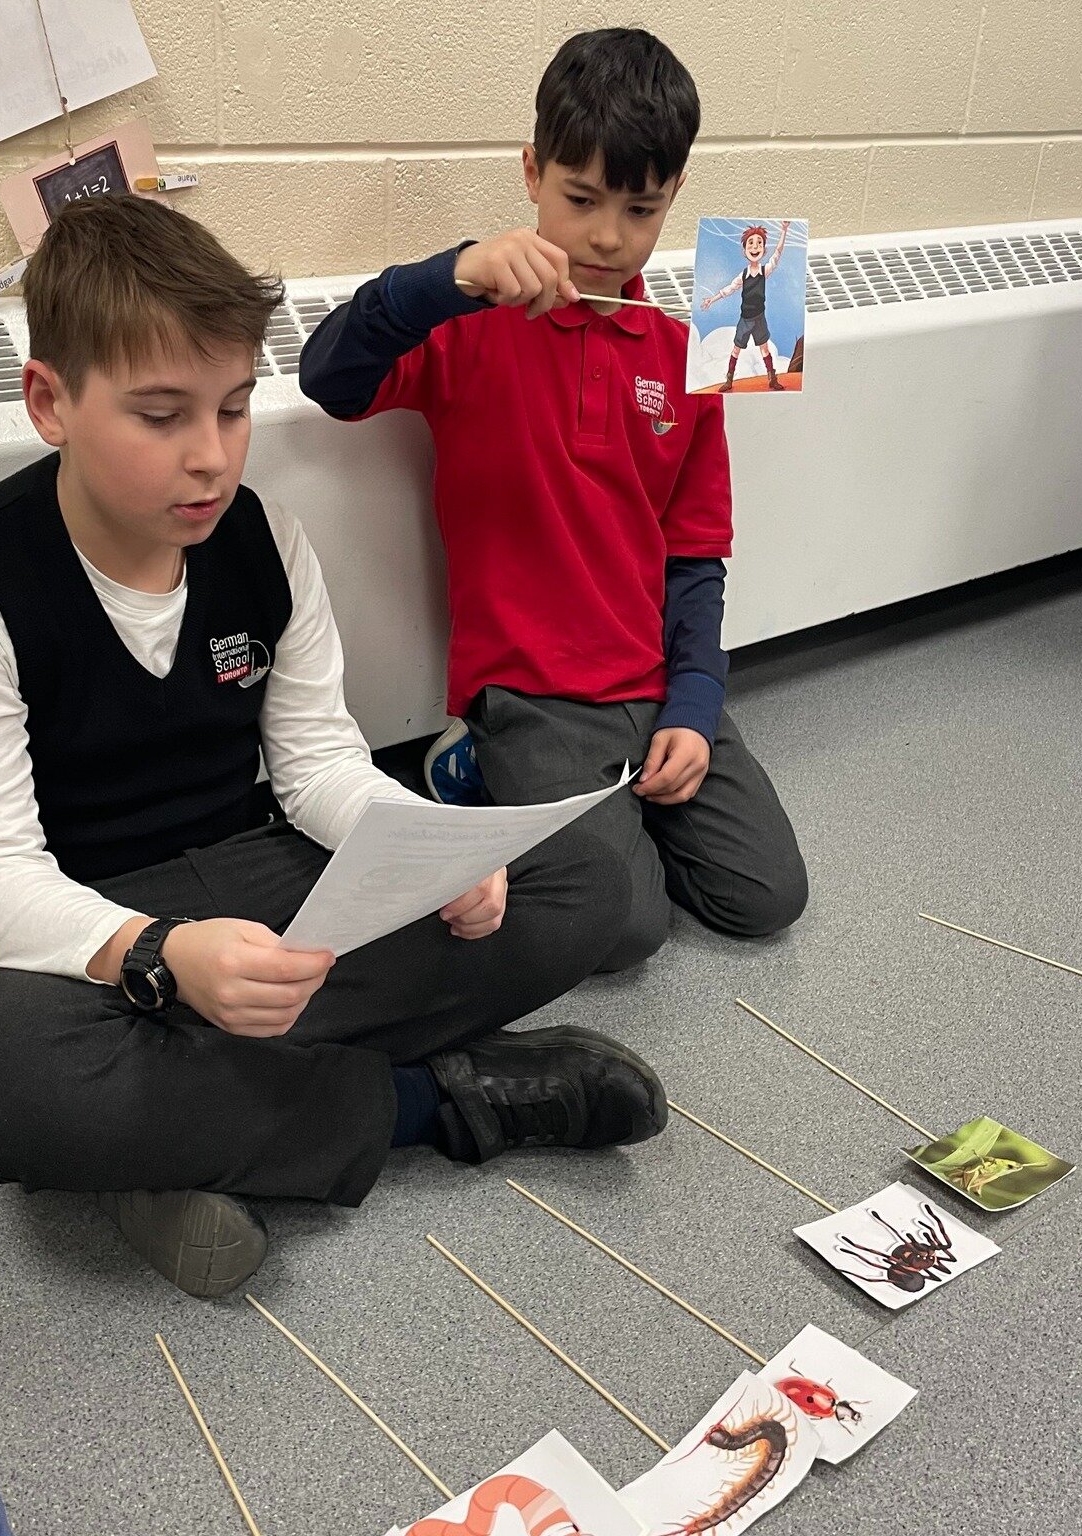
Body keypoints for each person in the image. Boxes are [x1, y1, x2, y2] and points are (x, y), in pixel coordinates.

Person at [0, 195, 666, 1300]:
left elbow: (316, 767)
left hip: (255, 881)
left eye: (235, 408)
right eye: (162, 416)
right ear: (49, 401)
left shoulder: (265, 537)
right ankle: (430, 1103)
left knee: (579, 876)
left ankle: (176, 1143)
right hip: (82, 940)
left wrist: (435, 854)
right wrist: (162, 956)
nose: (210, 458)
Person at [299, 28, 807, 967]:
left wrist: (694, 705)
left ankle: (608, 808)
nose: (608, 235)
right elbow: (326, 374)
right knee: (623, 929)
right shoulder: (468, 318)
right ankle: (475, 772)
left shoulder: (697, 334)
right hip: (529, 694)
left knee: (768, 896)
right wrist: (446, 277)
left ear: (676, 198)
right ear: (532, 171)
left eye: (641, 208)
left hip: (652, 685)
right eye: (580, 200)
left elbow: (697, 551)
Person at [700, 220, 791, 392]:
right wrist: (712, 299)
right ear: (744, 250)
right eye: (751, 243)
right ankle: (729, 381)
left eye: (759, 243)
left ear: (764, 249)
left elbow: (778, 253)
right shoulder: (743, 275)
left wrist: (784, 231)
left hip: (759, 318)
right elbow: (729, 289)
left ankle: (772, 378)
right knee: (736, 350)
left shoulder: (765, 271)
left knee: (764, 349)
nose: (755, 247)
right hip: (745, 319)